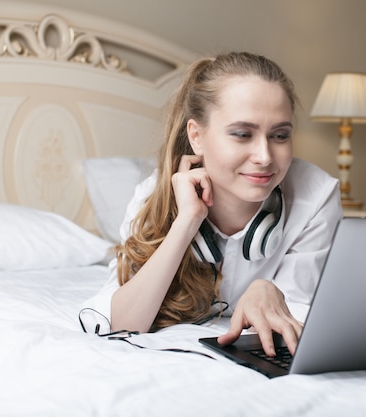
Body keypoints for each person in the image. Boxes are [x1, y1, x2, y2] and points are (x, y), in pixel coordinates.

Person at [80, 51, 341, 356]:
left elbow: (299, 321)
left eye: (279, 135)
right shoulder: (153, 196)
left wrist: (269, 290)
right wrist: (186, 223)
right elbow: (124, 323)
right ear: (196, 137)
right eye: (243, 134)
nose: (265, 156)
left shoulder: (317, 196)